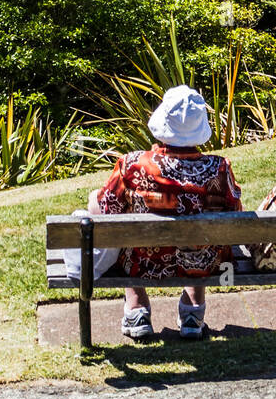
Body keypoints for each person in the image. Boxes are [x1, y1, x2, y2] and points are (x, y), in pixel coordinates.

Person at [88, 84, 242, 341]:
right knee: (203, 240)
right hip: (208, 265)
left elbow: (106, 209)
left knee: (116, 222)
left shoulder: (132, 164)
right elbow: (234, 213)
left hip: (146, 264)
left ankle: (137, 309)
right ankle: (193, 312)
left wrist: (94, 199)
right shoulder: (220, 167)